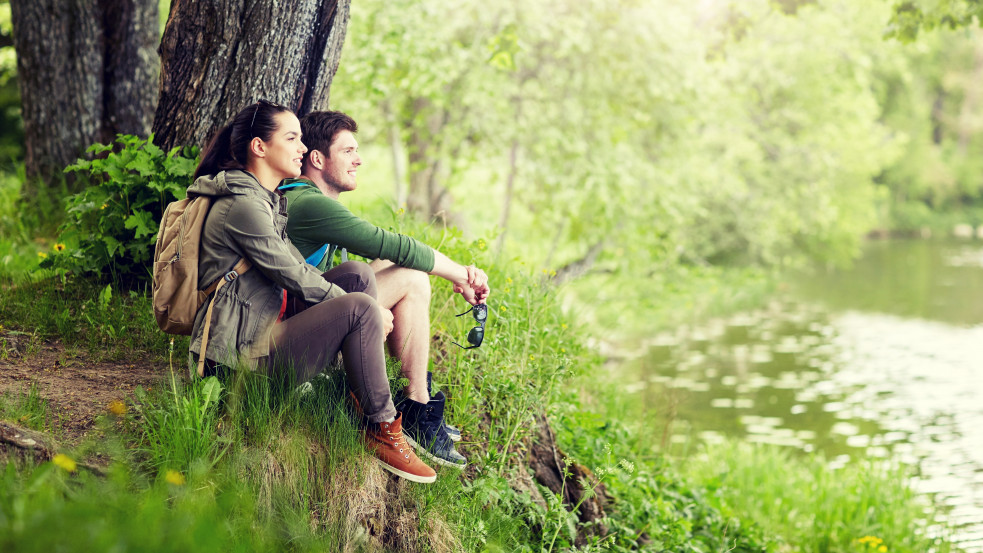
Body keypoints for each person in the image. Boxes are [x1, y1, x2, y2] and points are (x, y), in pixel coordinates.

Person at [188, 99, 436, 483]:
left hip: (260, 334)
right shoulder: (244, 206)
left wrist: (358, 301)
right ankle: (383, 427)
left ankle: (357, 391)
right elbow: (293, 274)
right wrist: (369, 311)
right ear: (260, 147)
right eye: (292, 138)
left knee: (356, 276)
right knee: (358, 307)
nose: (303, 149)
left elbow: (301, 269)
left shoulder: (265, 200)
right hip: (238, 366)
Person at [278, 110, 490, 469]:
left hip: (301, 313)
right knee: (411, 276)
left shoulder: (305, 198)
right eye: (348, 151)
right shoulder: (308, 204)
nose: (358, 159)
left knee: (406, 274)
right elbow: (390, 244)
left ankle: (415, 403)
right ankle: (416, 408)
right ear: (317, 159)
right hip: (288, 335)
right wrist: (460, 274)